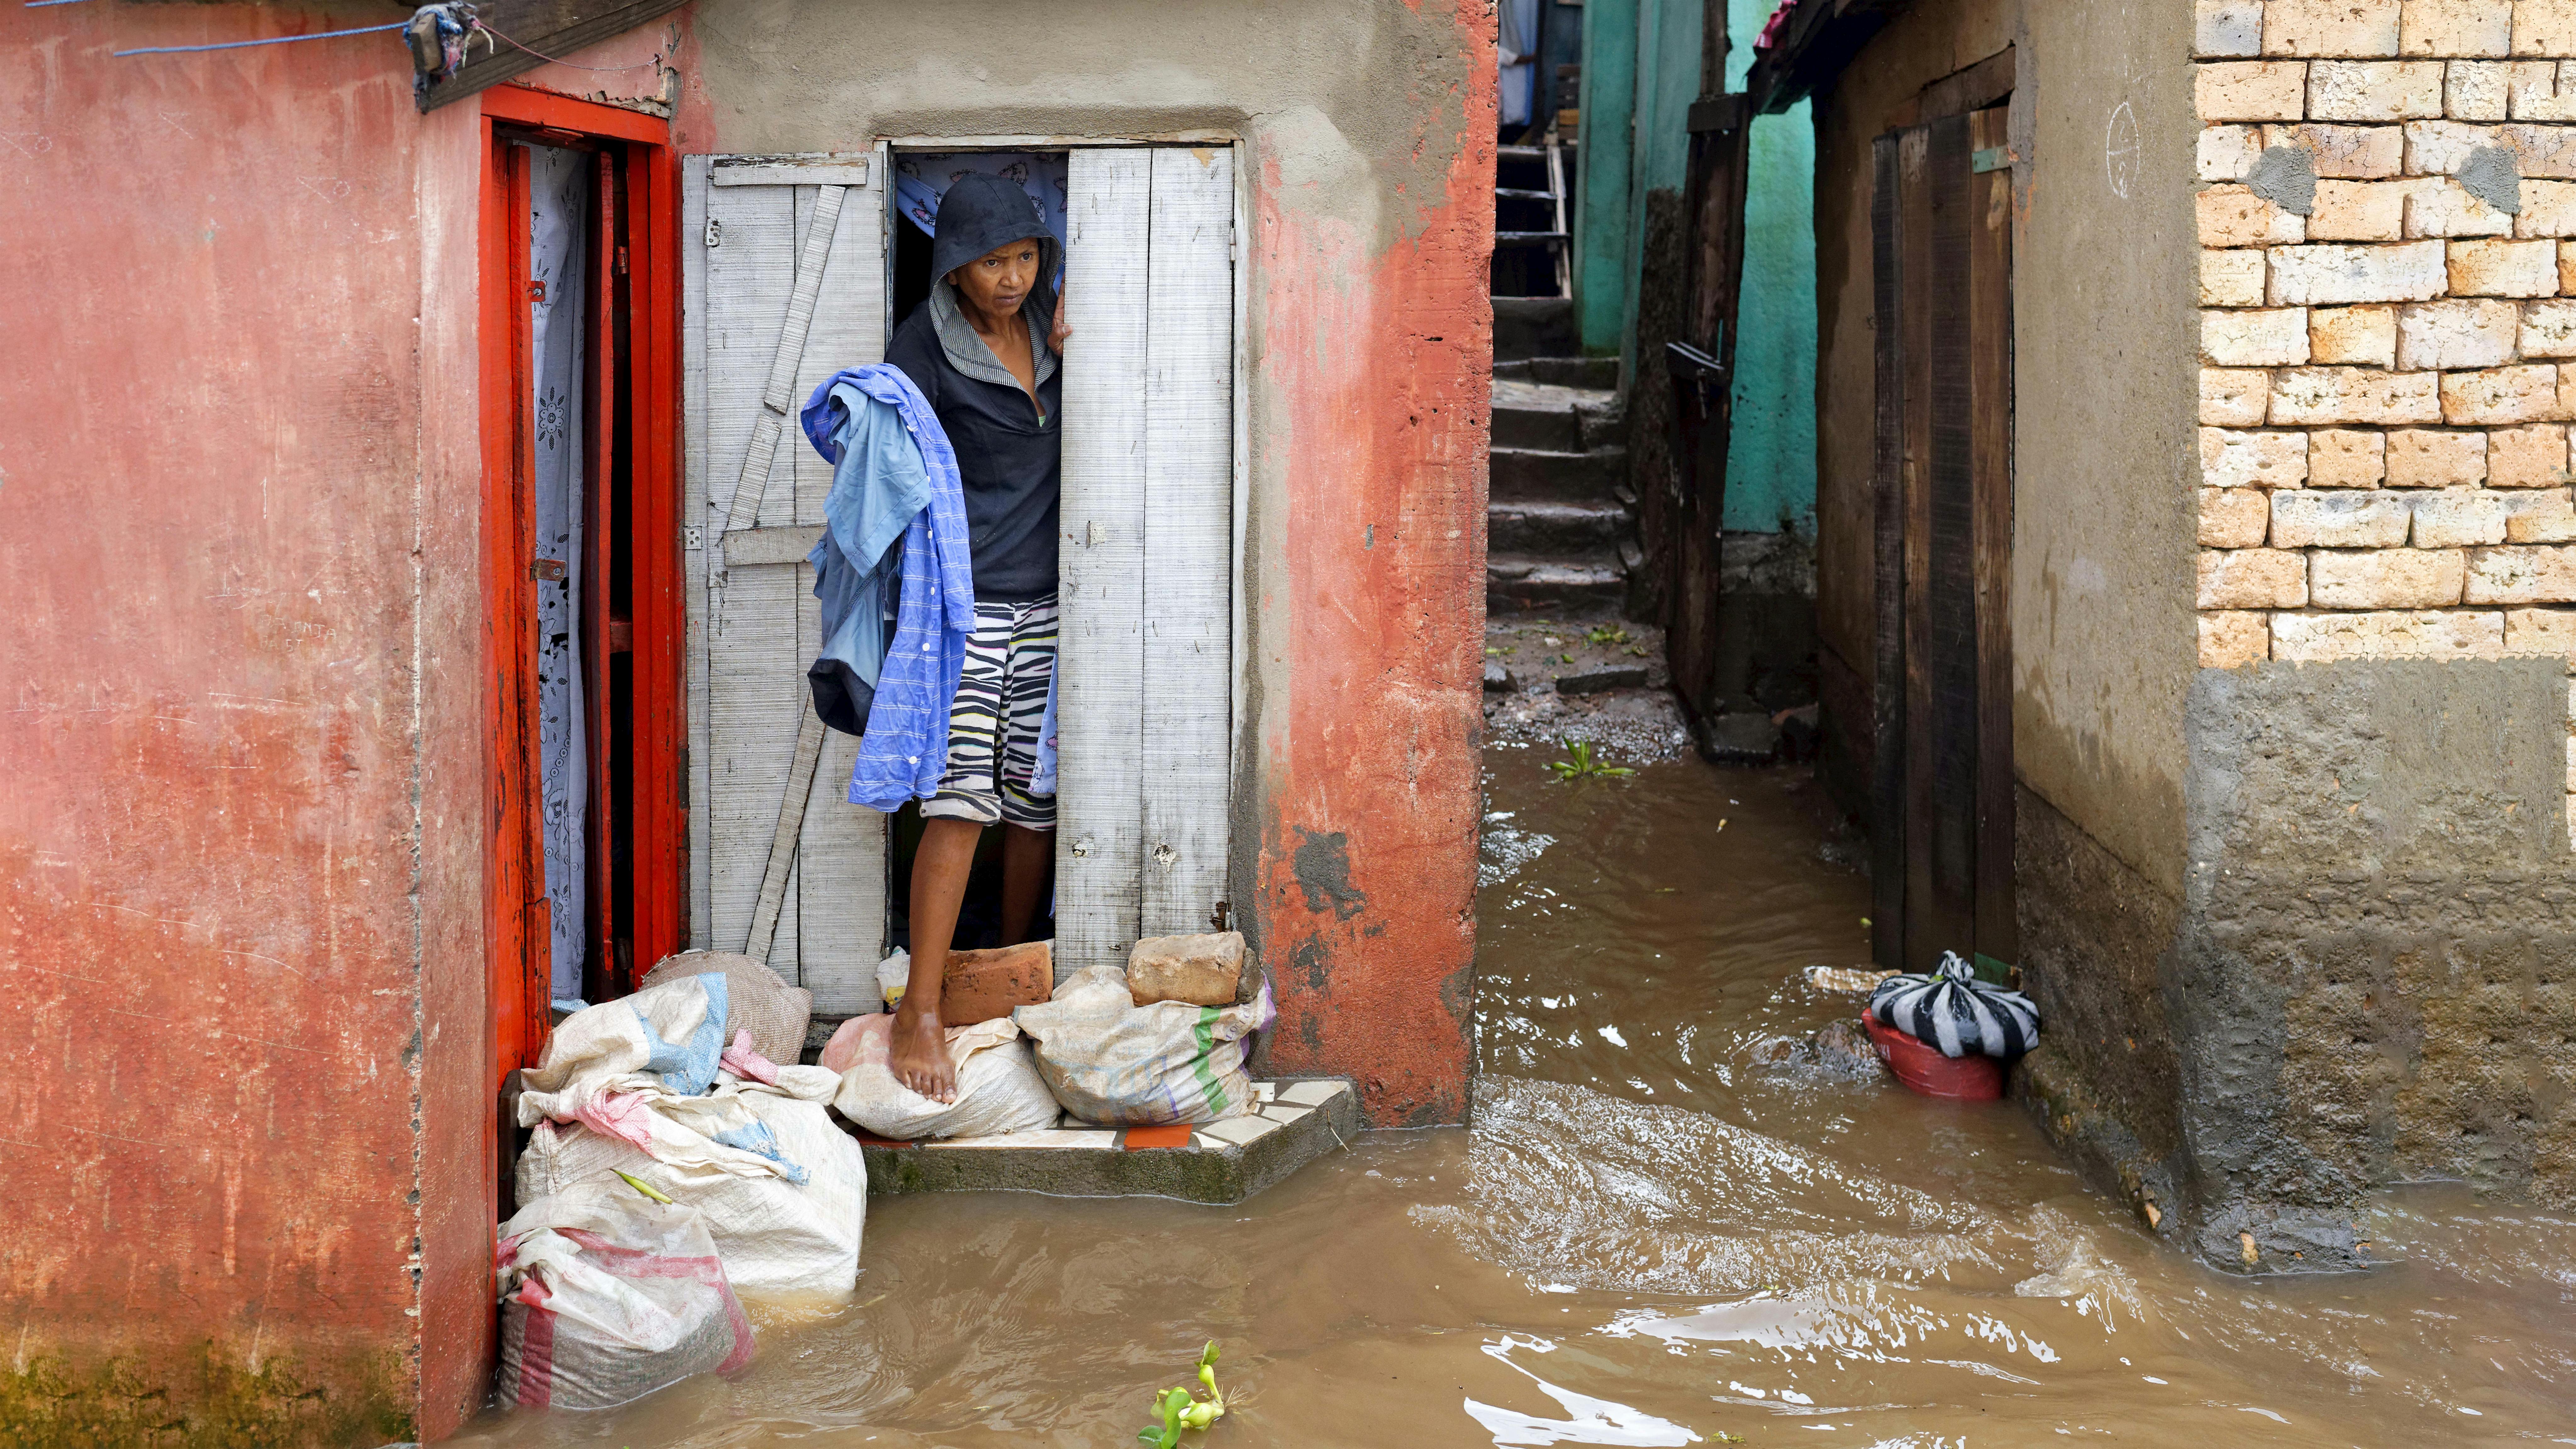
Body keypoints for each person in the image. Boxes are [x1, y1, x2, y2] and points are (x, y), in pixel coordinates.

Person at [882, 173, 1071, 1102]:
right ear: (953, 270)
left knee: (1035, 800)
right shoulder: (924, 350)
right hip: (969, 606)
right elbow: (886, 460)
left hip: (1058, 600)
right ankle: (921, 1007)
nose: (1010, 277)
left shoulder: (1054, 334)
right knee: (959, 800)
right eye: (991, 262)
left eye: (1025, 257)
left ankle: (1004, 966)